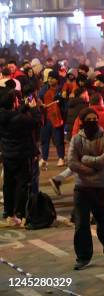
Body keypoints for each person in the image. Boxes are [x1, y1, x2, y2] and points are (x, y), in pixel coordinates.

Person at [67, 108, 104, 270]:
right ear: (82, 122)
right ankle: (83, 256)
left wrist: (85, 159)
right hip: (82, 187)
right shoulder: (76, 139)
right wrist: (90, 170)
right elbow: (72, 163)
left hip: (102, 187)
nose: (93, 121)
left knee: (103, 221)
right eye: (89, 119)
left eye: (95, 119)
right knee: (81, 224)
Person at [0, 88, 41, 227]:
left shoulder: (4, 116)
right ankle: (20, 213)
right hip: (22, 156)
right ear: (12, 103)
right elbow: (37, 122)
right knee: (22, 185)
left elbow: (14, 115)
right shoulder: (19, 119)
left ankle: (9, 213)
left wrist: (24, 107)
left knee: (8, 185)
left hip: (8, 155)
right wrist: (35, 109)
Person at [38, 70, 65, 169]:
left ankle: (61, 158)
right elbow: (39, 99)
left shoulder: (61, 90)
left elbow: (64, 104)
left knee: (58, 139)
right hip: (46, 118)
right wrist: (40, 104)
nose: (49, 80)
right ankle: (44, 159)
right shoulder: (44, 89)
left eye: (52, 78)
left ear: (57, 80)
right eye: (49, 78)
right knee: (44, 140)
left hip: (57, 118)